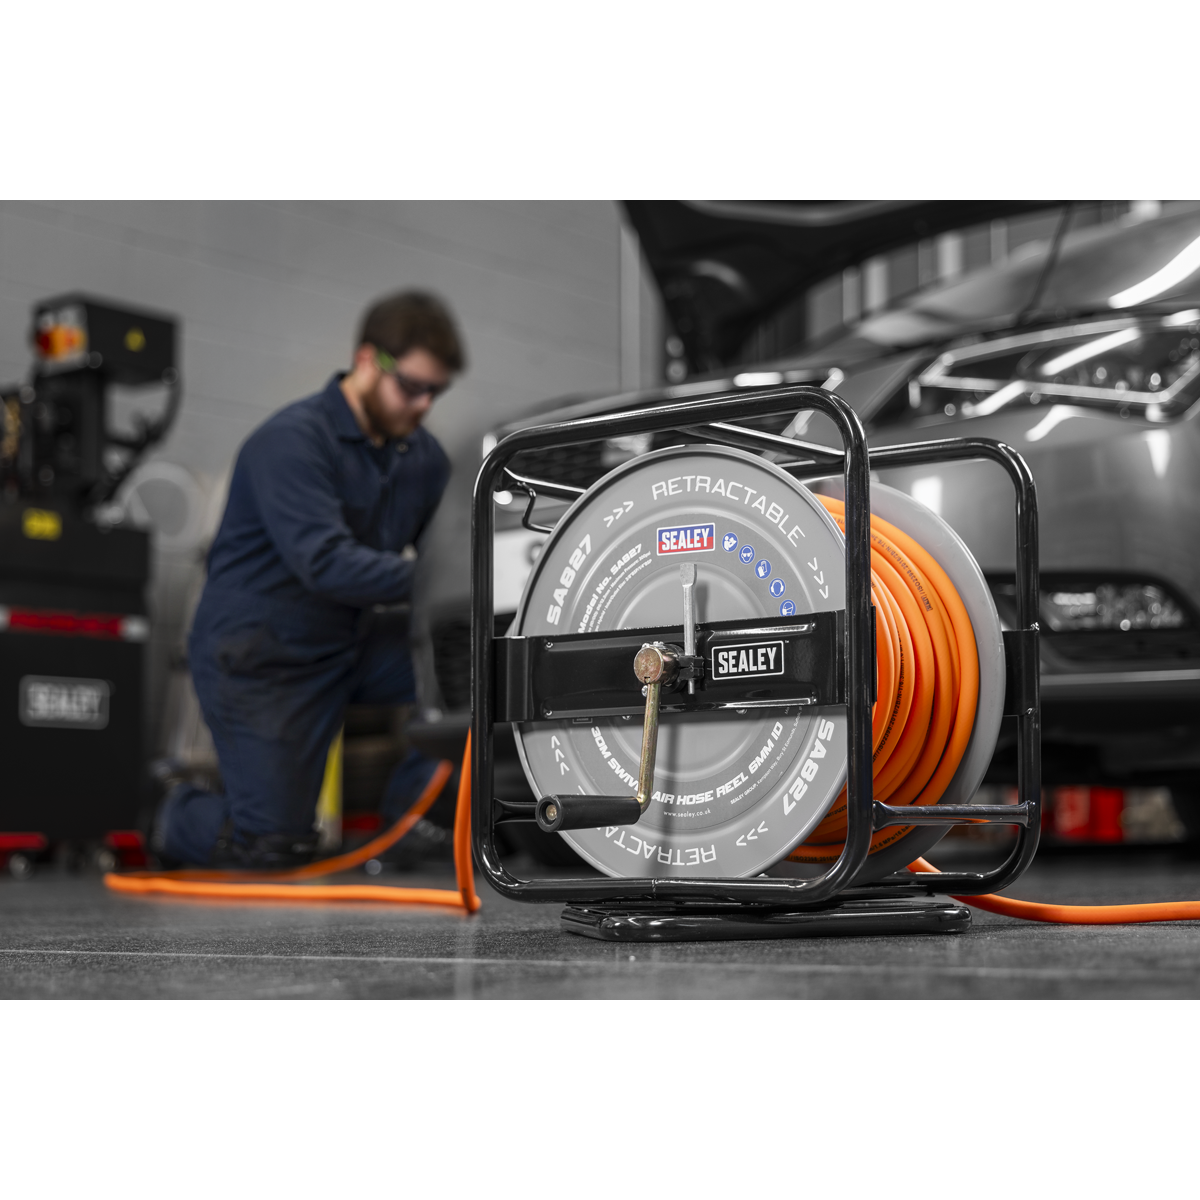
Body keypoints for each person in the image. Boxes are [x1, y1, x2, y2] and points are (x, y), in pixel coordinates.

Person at [157, 291, 465, 867]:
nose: (424, 405)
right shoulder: (291, 442)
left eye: (435, 392)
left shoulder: (422, 459)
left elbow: (442, 560)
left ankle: (410, 827)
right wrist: (443, 581)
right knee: (274, 845)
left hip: (350, 642)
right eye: (412, 387)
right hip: (262, 656)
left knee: (474, 661)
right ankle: (174, 818)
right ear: (368, 360)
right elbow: (327, 563)